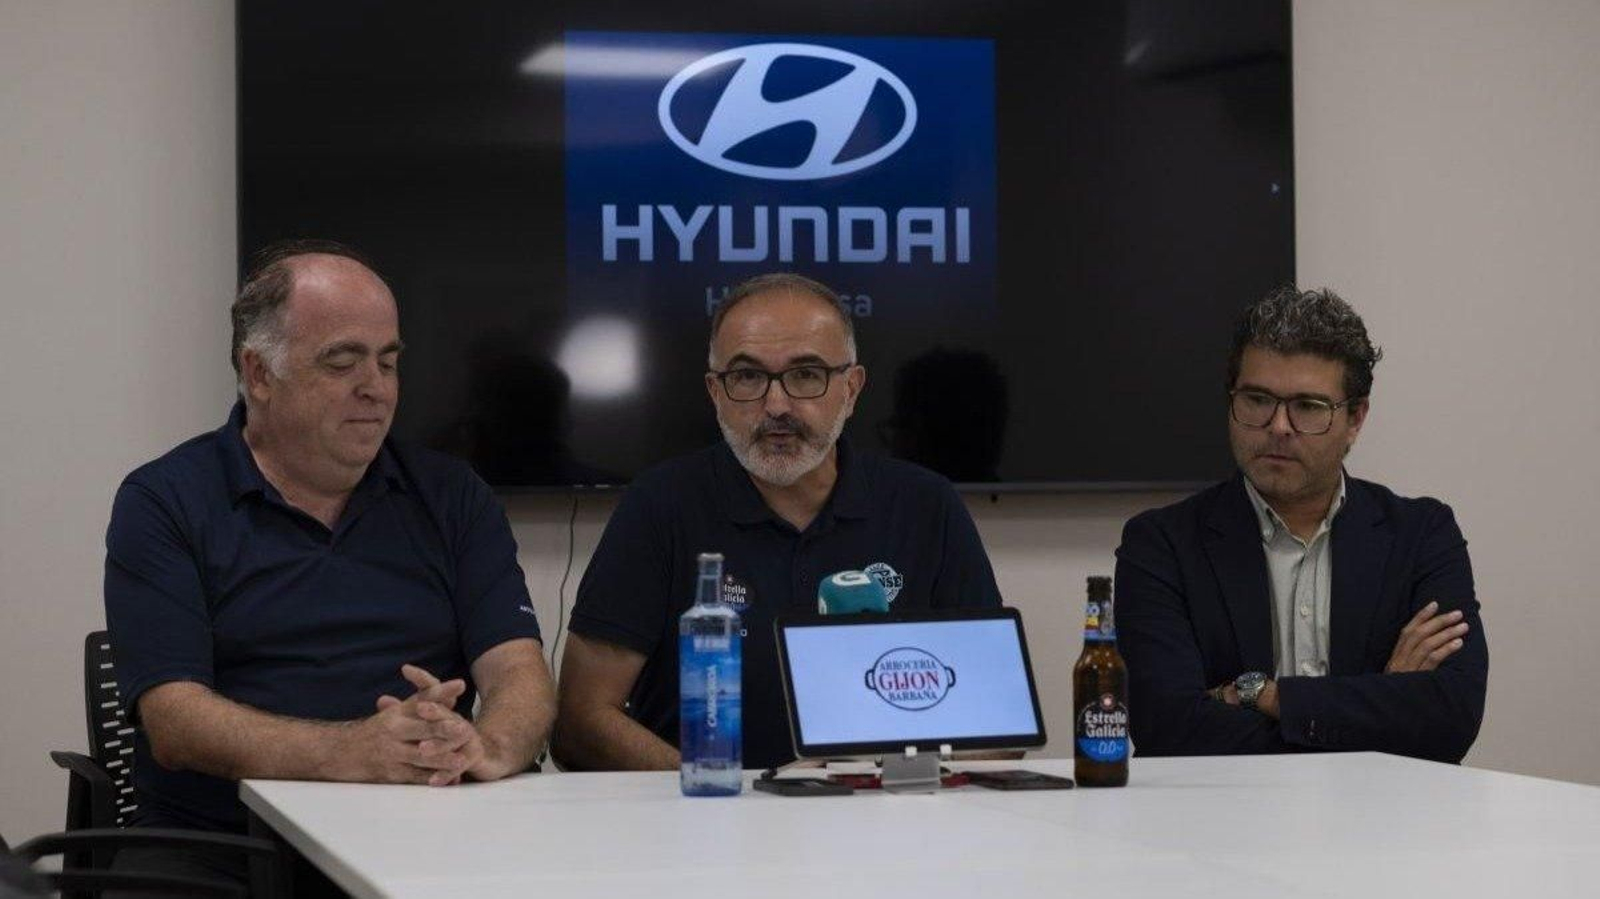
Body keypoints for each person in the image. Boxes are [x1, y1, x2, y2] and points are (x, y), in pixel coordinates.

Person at [103, 240, 556, 887]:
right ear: (259, 372)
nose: (375, 388)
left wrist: (490, 744)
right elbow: (175, 720)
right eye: (342, 362)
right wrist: (352, 749)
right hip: (219, 843)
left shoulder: (453, 494)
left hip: (426, 830)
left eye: (388, 362)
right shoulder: (165, 499)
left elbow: (518, 668)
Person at [552, 273, 1003, 771]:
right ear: (715, 392)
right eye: (747, 377)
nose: (777, 405)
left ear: (851, 389)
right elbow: (580, 722)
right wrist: (725, 791)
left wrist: (882, 781)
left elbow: (998, 724)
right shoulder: (660, 505)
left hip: (881, 822)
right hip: (702, 825)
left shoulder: (926, 506)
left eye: (806, 374)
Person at [1115, 286, 1487, 763]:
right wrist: (1380, 702)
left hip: (1387, 823)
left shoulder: (1421, 535)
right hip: (1220, 826)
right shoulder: (1161, 545)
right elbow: (1169, 730)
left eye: (1308, 407)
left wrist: (1265, 696)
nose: (1278, 426)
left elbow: (1450, 718)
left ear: (1355, 418)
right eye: (1257, 399)